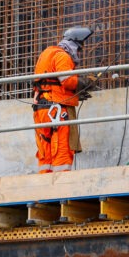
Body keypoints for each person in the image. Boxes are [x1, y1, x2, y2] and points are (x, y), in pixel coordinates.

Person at [33, 27, 94, 174]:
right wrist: (84, 83)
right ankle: (61, 186)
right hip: (56, 111)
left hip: (42, 109)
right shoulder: (62, 56)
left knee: (45, 149)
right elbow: (66, 81)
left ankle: (46, 185)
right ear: (75, 44)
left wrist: (75, 95)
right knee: (62, 148)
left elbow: (51, 84)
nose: (78, 53)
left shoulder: (46, 54)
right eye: (79, 49)